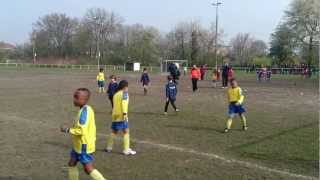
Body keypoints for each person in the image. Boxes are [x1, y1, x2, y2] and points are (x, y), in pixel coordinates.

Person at [60, 88, 106, 180]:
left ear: (84, 100)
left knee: (88, 169)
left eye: (77, 97)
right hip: (78, 145)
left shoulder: (84, 112)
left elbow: (81, 131)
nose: (74, 99)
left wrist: (67, 130)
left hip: (84, 145)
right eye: (74, 96)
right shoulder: (85, 109)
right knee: (72, 163)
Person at [106, 80, 136, 155]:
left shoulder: (116, 94)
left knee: (114, 131)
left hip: (115, 115)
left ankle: (109, 147)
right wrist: (125, 114)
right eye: (127, 87)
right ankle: (126, 149)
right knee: (126, 132)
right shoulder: (124, 94)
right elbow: (124, 104)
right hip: (122, 116)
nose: (128, 89)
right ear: (125, 87)